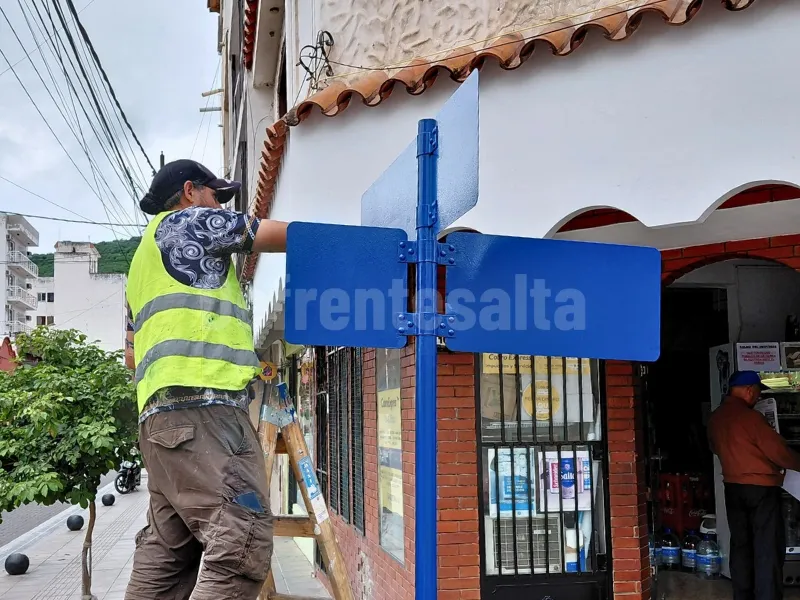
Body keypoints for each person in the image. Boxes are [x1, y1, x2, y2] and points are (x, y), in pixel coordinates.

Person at [123, 159, 288, 600]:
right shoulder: (191, 220)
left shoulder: (140, 264)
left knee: (168, 552)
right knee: (241, 536)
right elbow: (276, 234)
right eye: (216, 195)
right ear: (190, 190)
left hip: (158, 425)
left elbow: (129, 354)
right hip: (207, 406)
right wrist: (358, 243)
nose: (219, 205)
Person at [708, 370, 800, 600]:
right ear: (749, 390)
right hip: (761, 489)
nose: (757, 398)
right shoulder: (751, 418)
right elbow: (779, 452)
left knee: (741, 545)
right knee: (766, 547)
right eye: (758, 393)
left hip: (733, 487)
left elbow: (713, 447)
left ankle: (743, 595)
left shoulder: (716, 417)